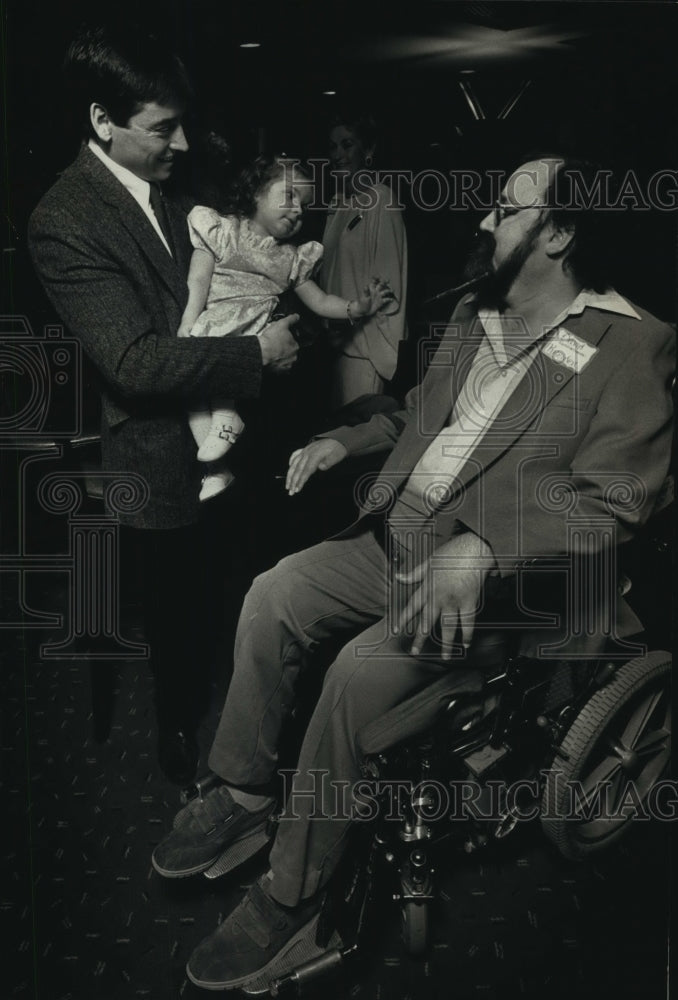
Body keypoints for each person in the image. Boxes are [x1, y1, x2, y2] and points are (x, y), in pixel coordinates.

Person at [151, 156, 674, 990]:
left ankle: (296, 897)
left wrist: (486, 546)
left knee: (356, 678)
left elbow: (616, 503)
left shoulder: (629, 344)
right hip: (397, 539)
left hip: (507, 586)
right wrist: (344, 442)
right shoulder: (476, 311)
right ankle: (247, 794)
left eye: (505, 210)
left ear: (561, 233)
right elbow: (418, 419)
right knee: (272, 593)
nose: (482, 222)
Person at [27, 23, 300, 784]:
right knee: (181, 620)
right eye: (161, 127)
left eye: (183, 120)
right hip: (155, 458)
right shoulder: (64, 219)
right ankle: (179, 735)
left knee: (253, 595)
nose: (181, 141)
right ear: (100, 122)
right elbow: (134, 364)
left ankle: (259, 720)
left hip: (241, 435)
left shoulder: (187, 188)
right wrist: (256, 352)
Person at [177, 153, 394, 501]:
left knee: (219, 393)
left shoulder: (291, 257)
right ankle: (217, 470)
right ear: (256, 192)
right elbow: (198, 278)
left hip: (251, 336)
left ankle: (228, 420)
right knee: (191, 398)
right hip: (213, 327)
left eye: (305, 206)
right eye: (290, 196)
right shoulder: (220, 230)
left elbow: (321, 301)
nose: (297, 211)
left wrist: (358, 307)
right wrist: (189, 319)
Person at [320, 113, 408, 410]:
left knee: (355, 444)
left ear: (368, 151)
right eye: (332, 147)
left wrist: (352, 329)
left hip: (365, 352)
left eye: (347, 144)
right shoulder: (337, 203)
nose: (337, 155)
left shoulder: (382, 199)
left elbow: (388, 287)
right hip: (334, 347)